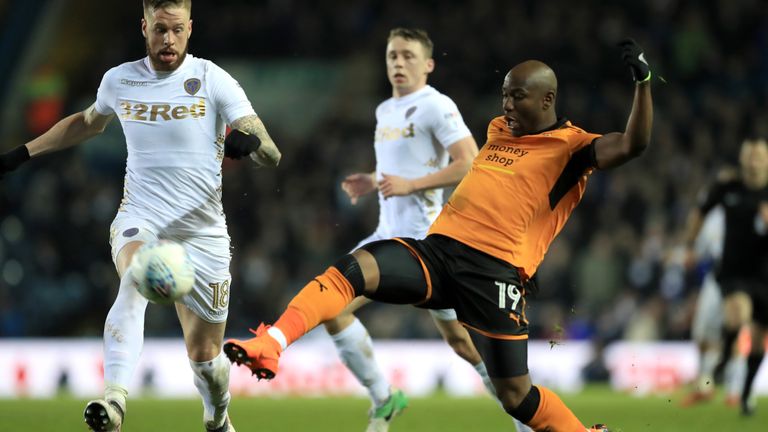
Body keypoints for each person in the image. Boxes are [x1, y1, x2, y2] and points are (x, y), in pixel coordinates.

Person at [225, 38, 653, 432]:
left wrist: (643, 85)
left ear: (547, 99)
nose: (506, 104)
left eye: (516, 96)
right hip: (438, 253)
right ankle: (272, 341)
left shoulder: (573, 147)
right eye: (503, 93)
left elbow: (633, 145)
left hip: (495, 274)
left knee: (515, 396)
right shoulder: (498, 131)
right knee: (353, 270)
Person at [0, 1, 281, 431]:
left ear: (190, 28)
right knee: (135, 276)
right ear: (144, 27)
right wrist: (22, 153)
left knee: (205, 358)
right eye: (159, 30)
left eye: (176, 31)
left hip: (203, 235)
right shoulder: (120, 79)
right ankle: (114, 403)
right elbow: (87, 122)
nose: (167, 40)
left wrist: (250, 146)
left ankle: (219, 415)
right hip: (142, 216)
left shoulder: (211, 79)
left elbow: (271, 151)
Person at [323, 27, 529, 432]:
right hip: (386, 236)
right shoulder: (384, 110)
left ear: (428, 64)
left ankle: (527, 421)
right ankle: (384, 397)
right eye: (392, 56)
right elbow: (407, 164)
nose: (398, 63)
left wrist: (410, 185)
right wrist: (374, 178)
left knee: (464, 344)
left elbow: (470, 162)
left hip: (426, 244)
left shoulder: (437, 106)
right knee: (332, 306)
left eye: (407, 56)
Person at [679, 139, 768, 416]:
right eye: (749, 156)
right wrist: (690, 244)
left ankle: (744, 395)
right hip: (733, 270)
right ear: (742, 159)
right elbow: (700, 211)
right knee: (737, 312)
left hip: (764, 274)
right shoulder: (728, 186)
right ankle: (724, 362)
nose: (753, 162)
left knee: (757, 338)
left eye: (759, 157)